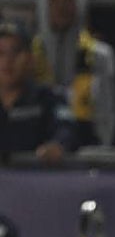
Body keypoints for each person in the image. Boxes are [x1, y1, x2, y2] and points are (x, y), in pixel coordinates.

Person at [31, 0, 115, 147]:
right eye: (55, 1)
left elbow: (108, 110)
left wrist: (103, 151)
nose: (61, 8)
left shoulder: (100, 55)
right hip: (38, 148)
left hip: (88, 144)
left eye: (68, 1)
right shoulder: (29, 55)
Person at [0, 21, 76, 163]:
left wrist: (57, 146)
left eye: (15, 51)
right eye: (1, 53)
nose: (7, 61)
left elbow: (66, 128)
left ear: (30, 58)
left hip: (37, 180)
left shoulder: (48, 98)